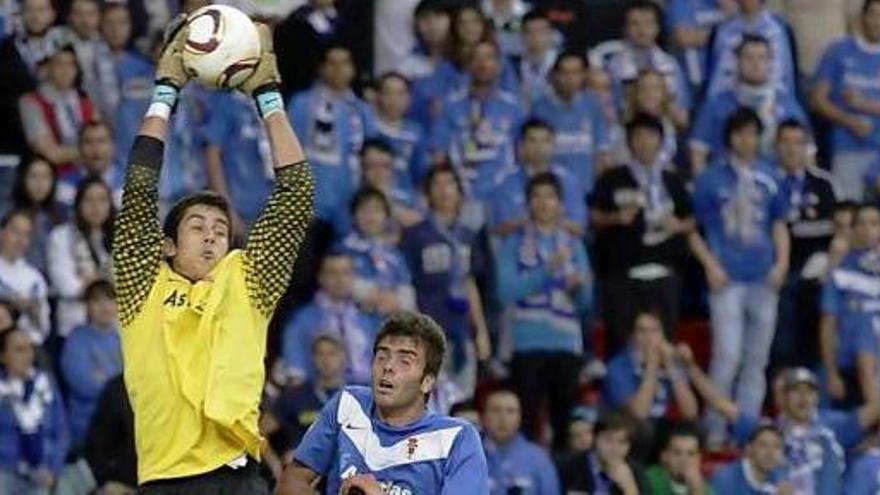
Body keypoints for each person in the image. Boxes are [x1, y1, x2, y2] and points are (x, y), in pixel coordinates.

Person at [111, 21, 313, 492]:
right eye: (197, 227)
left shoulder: (247, 278)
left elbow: (296, 194)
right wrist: (165, 90)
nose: (210, 237)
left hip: (240, 473)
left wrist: (267, 94)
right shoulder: (143, 286)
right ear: (167, 245)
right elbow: (140, 191)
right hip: (168, 477)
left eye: (220, 230)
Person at [276, 311, 490, 495]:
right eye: (382, 356)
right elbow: (293, 478)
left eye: (405, 361)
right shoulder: (348, 405)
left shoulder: (457, 439)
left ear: (426, 382)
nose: (388, 366)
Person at [691, 107, 790, 444]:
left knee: (757, 360)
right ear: (730, 137)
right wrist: (710, 265)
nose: (746, 140)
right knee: (727, 355)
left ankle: (746, 431)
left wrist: (782, 264)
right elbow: (693, 230)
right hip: (727, 278)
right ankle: (715, 432)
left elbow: (778, 224)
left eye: (752, 133)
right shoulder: (710, 179)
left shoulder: (772, 176)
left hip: (763, 276)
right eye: (740, 133)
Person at [497, 173, 592, 451]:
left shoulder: (573, 244)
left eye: (550, 196)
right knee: (524, 422)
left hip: (566, 344)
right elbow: (505, 290)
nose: (543, 203)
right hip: (526, 344)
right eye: (536, 197)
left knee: (566, 424)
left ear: (561, 204)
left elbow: (587, 302)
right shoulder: (514, 244)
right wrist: (545, 271)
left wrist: (577, 288)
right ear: (527, 203)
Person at [590, 113, 694, 353]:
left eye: (650, 136)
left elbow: (691, 218)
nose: (644, 142)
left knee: (664, 343)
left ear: (661, 141)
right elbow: (593, 216)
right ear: (628, 142)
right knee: (620, 343)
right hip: (623, 275)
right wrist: (616, 217)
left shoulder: (673, 179)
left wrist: (678, 226)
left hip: (664, 272)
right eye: (638, 136)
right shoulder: (612, 178)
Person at [686, 360, 872, 494]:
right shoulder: (767, 432)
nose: (803, 397)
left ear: (817, 397)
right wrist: (690, 367)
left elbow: (874, 410)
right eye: (796, 391)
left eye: (809, 391)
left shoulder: (833, 426)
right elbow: (720, 404)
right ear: (783, 398)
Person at [400, 166, 491, 401]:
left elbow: (469, 282)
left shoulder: (469, 234)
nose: (443, 191)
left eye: (449, 183)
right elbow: (407, 285)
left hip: (462, 329)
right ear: (427, 193)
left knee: (463, 401)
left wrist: (480, 331)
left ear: (459, 191)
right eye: (437, 185)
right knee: (429, 401)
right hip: (429, 331)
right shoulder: (415, 234)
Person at [288, 43, 377, 236]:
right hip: (308, 207)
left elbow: (373, 156)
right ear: (321, 67)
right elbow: (287, 153)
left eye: (345, 63)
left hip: (349, 206)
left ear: (353, 69)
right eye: (332, 63)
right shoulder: (301, 104)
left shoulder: (362, 110)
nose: (338, 69)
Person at [772, 120, 838, 373]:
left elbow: (838, 228)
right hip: (778, 272)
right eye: (786, 142)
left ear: (808, 147)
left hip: (817, 273)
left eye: (798, 142)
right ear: (776, 146)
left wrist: (795, 228)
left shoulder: (825, 184)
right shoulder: (767, 183)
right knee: (782, 342)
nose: (792, 149)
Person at [690, 35, 809, 172]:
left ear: (770, 62)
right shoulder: (716, 104)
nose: (755, 63)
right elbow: (698, 150)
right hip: (727, 184)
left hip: (776, 185)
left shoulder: (788, 105)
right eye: (748, 57)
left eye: (761, 57)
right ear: (737, 61)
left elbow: (808, 153)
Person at [430, 39, 523, 206]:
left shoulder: (513, 107)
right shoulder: (451, 106)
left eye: (489, 58)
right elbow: (439, 155)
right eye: (477, 58)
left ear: (499, 65)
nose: (483, 64)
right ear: (468, 65)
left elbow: (521, 155)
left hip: (502, 195)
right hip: (461, 196)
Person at [812, 0, 880, 201]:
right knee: (847, 211)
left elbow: (860, 103)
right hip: (846, 147)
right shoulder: (838, 50)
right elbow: (818, 99)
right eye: (873, 14)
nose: (878, 22)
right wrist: (849, 121)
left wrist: (863, 105)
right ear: (862, 17)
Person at [281, 251, 379, 386]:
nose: (340, 279)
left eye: (346, 272)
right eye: (333, 273)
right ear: (321, 277)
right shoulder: (302, 320)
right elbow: (295, 372)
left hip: (369, 394)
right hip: (321, 396)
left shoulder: (368, 318)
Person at [821, 203, 880, 408]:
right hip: (850, 367)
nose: (868, 230)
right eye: (861, 224)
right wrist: (831, 373)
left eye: (874, 223)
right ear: (853, 230)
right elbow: (828, 325)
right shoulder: (840, 271)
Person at [0, 325, 70, 495]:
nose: (27, 355)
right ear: (2, 356)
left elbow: (62, 433)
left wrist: (54, 469)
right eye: (19, 350)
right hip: (5, 470)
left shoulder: (46, 384)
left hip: (44, 470)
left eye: (30, 349)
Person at [490, 118, 587, 237]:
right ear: (521, 146)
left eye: (545, 141)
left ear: (553, 145)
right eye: (532, 141)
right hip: (517, 250)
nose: (539, 147)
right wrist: (535, 217)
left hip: (562, 250)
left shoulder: (569, 180)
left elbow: (579, 229)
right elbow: (500, 229)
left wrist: (547, 218)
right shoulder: (506, 181)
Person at [531, 51, 610, 192]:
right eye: (564, 73)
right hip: (552, 193)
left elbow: (601, 151)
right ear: (554, 75)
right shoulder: (539, 109)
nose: (570, 79)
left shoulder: (593, 105)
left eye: (576, 73)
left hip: (587, 189)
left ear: (584, 75)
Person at [604, 309, 699, 423]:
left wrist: (670, 366)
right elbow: (639, 414)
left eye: (655, 330)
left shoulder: (670, 360)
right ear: (632, 336)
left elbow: (690, 412)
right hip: (629, 428)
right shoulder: (618, 366)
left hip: (663, 427)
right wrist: (652, 366)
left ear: (663, 335)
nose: (649, 337)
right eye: (642, 331)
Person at [204, 89, 273, 242]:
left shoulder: (269, 101)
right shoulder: (226, 102)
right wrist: (226, 209)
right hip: (241, 208)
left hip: (270, 208)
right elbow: (212, 153)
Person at [0, 0, 65, 162]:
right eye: (30, 10)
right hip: (15, 143)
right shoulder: (5, 51)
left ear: (52, 14)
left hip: (60, 141)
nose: (36, 16)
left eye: (42, 10)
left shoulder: (65, 48)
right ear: (20, 14)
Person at [48, 178, 114, 336]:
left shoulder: (120, 239)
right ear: (78, 205)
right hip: (74, 325)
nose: (96, 207)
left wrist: (89, 280)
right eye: (89, 200)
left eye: (102, 200)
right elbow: (67, 286)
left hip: (114, 330)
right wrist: (105, 279)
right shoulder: (60, 236)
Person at [59, 279, 121, 446]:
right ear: (87, 306)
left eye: (110, 300)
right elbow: (84, 385)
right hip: (88, 425)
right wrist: (118, 385)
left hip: (122, 424)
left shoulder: (123, 339)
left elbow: (137, 382)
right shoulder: (75, 340)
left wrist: (104, 378)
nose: (105, 306)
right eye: (97, 301)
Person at [602, 1, 692, 113]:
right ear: (625, 29)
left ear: (658, 28)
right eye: (635, 24)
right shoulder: (612, 66)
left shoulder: (671, 64)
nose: (642, 30)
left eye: (649, 24)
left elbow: (683, 115)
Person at [18, 45, 96, 175]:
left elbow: (101, 141)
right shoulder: (31, 102)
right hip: (51, 178)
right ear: (47, 68)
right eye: (59, 64)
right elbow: (51, 154)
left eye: (71, 64)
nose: (66, 70)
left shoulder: (85, 102)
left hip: (87, 174)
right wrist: (90, 151)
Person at [340, 188, 416, 316]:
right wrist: (373, 295)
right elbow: (340, 282)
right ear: (353, 215)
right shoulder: (344, 249)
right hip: (354, 318)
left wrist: (397, 302)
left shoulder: (394, 254)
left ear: (386, 217)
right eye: (364, 210)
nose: (370, 216)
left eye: (376, 210)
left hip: (390, 320)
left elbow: (407, 291)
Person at [705, 0, 797, 98]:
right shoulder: (722, 31)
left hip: (775, 104)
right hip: (728, 105)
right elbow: (716, 83)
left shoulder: (780, 30)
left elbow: (786, 82)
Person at [102, 2, 155, 173]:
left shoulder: (145, 68)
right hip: (101, 158)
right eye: (110, 23)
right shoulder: (87, 66)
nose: (116, 29)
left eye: (122, 22)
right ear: (100, 25)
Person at [271, 334, 346, 449]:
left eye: (332, 353)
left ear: (343, 357)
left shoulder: (357, 397)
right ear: (312, 358)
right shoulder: (294, 396)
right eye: (320, 354)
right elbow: (259, 433)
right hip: (302, 464)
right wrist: (275, 465)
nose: (326, 360)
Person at [481, 388, 560, 495]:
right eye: (496, 410)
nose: (503, 418)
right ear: (484, 417)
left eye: (510, 411)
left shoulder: (538, 458)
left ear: (520, 418)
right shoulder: (469, 456)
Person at [559, 410, 648, 494]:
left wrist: (630, 489)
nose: (615, 448)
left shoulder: (635, 472)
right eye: (608, 440)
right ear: (595, 438)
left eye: (622, 442)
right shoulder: (573, 466)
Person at [397, 0, 453, 129]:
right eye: (425, 18)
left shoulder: (463, 61)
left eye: (438, 17)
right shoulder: (407, 66)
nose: (432, 25)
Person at [373, 73, 429, 198]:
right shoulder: (369, 128)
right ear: (378, 96)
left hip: (406, 201)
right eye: (388, 93)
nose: (394, 99)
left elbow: (421, 174)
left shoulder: (416, 132)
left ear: (409, 99)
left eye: (400, 94)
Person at [9, 156, 67, 274]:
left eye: (45, 177)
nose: (39, 183)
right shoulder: (8, 213)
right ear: (22, 179)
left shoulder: (64, 213)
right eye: (33, 176)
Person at [0, 210, 50, 345]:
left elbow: (44, 329)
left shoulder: (35, 278)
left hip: (27, 346)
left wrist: (33, 310)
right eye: (15, 232)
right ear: (2, 233)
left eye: (26, 235)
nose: (20, 240)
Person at [621, 69, 689, 168]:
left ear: (663, 93)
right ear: (635, 93)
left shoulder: (671, 126)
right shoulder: (624, 126)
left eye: (654, 88)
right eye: (643, 88)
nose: (649, 93)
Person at [82, 374, 137, 494]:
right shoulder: (116, 390)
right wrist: (106, 480)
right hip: (121, 482)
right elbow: (95, 447)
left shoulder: (173, 389)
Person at [666, 0, 735, 90]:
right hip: (689, 79)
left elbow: (735, 14)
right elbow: (684, 38)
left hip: (719, 76)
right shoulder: (680, 3)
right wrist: (716, 35)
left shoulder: (719, 4)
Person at [357, 139, 423, 229]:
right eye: (371, 166)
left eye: (385, 166)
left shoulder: (408, 196)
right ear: (361, 168)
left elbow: (420, 223)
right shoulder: (354, 199)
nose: (378, 172)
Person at [57, 120, 124, 207]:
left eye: (101, 141)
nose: (95, 149)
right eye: (88, 141)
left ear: (113, 146)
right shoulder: (63, 186)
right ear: (79, 148)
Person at [709, 424, 789, 494]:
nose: (770, 453)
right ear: (749, 449)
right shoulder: (726, 480)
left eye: (777, 447)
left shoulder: (780, 477)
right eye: (763, 445)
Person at [645, 421, 713, 495]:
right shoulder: (648, 480)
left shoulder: (705, 488)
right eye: (677, 453)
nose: (684, 460)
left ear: (698, 458)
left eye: (691, 454)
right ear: (664, 456)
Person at [514, 9, 558, 107]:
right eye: (530, 32)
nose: (536, 37)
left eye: (541, 32)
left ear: (550, 34)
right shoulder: (513, 66)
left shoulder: (561, 64)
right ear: (522, 36)